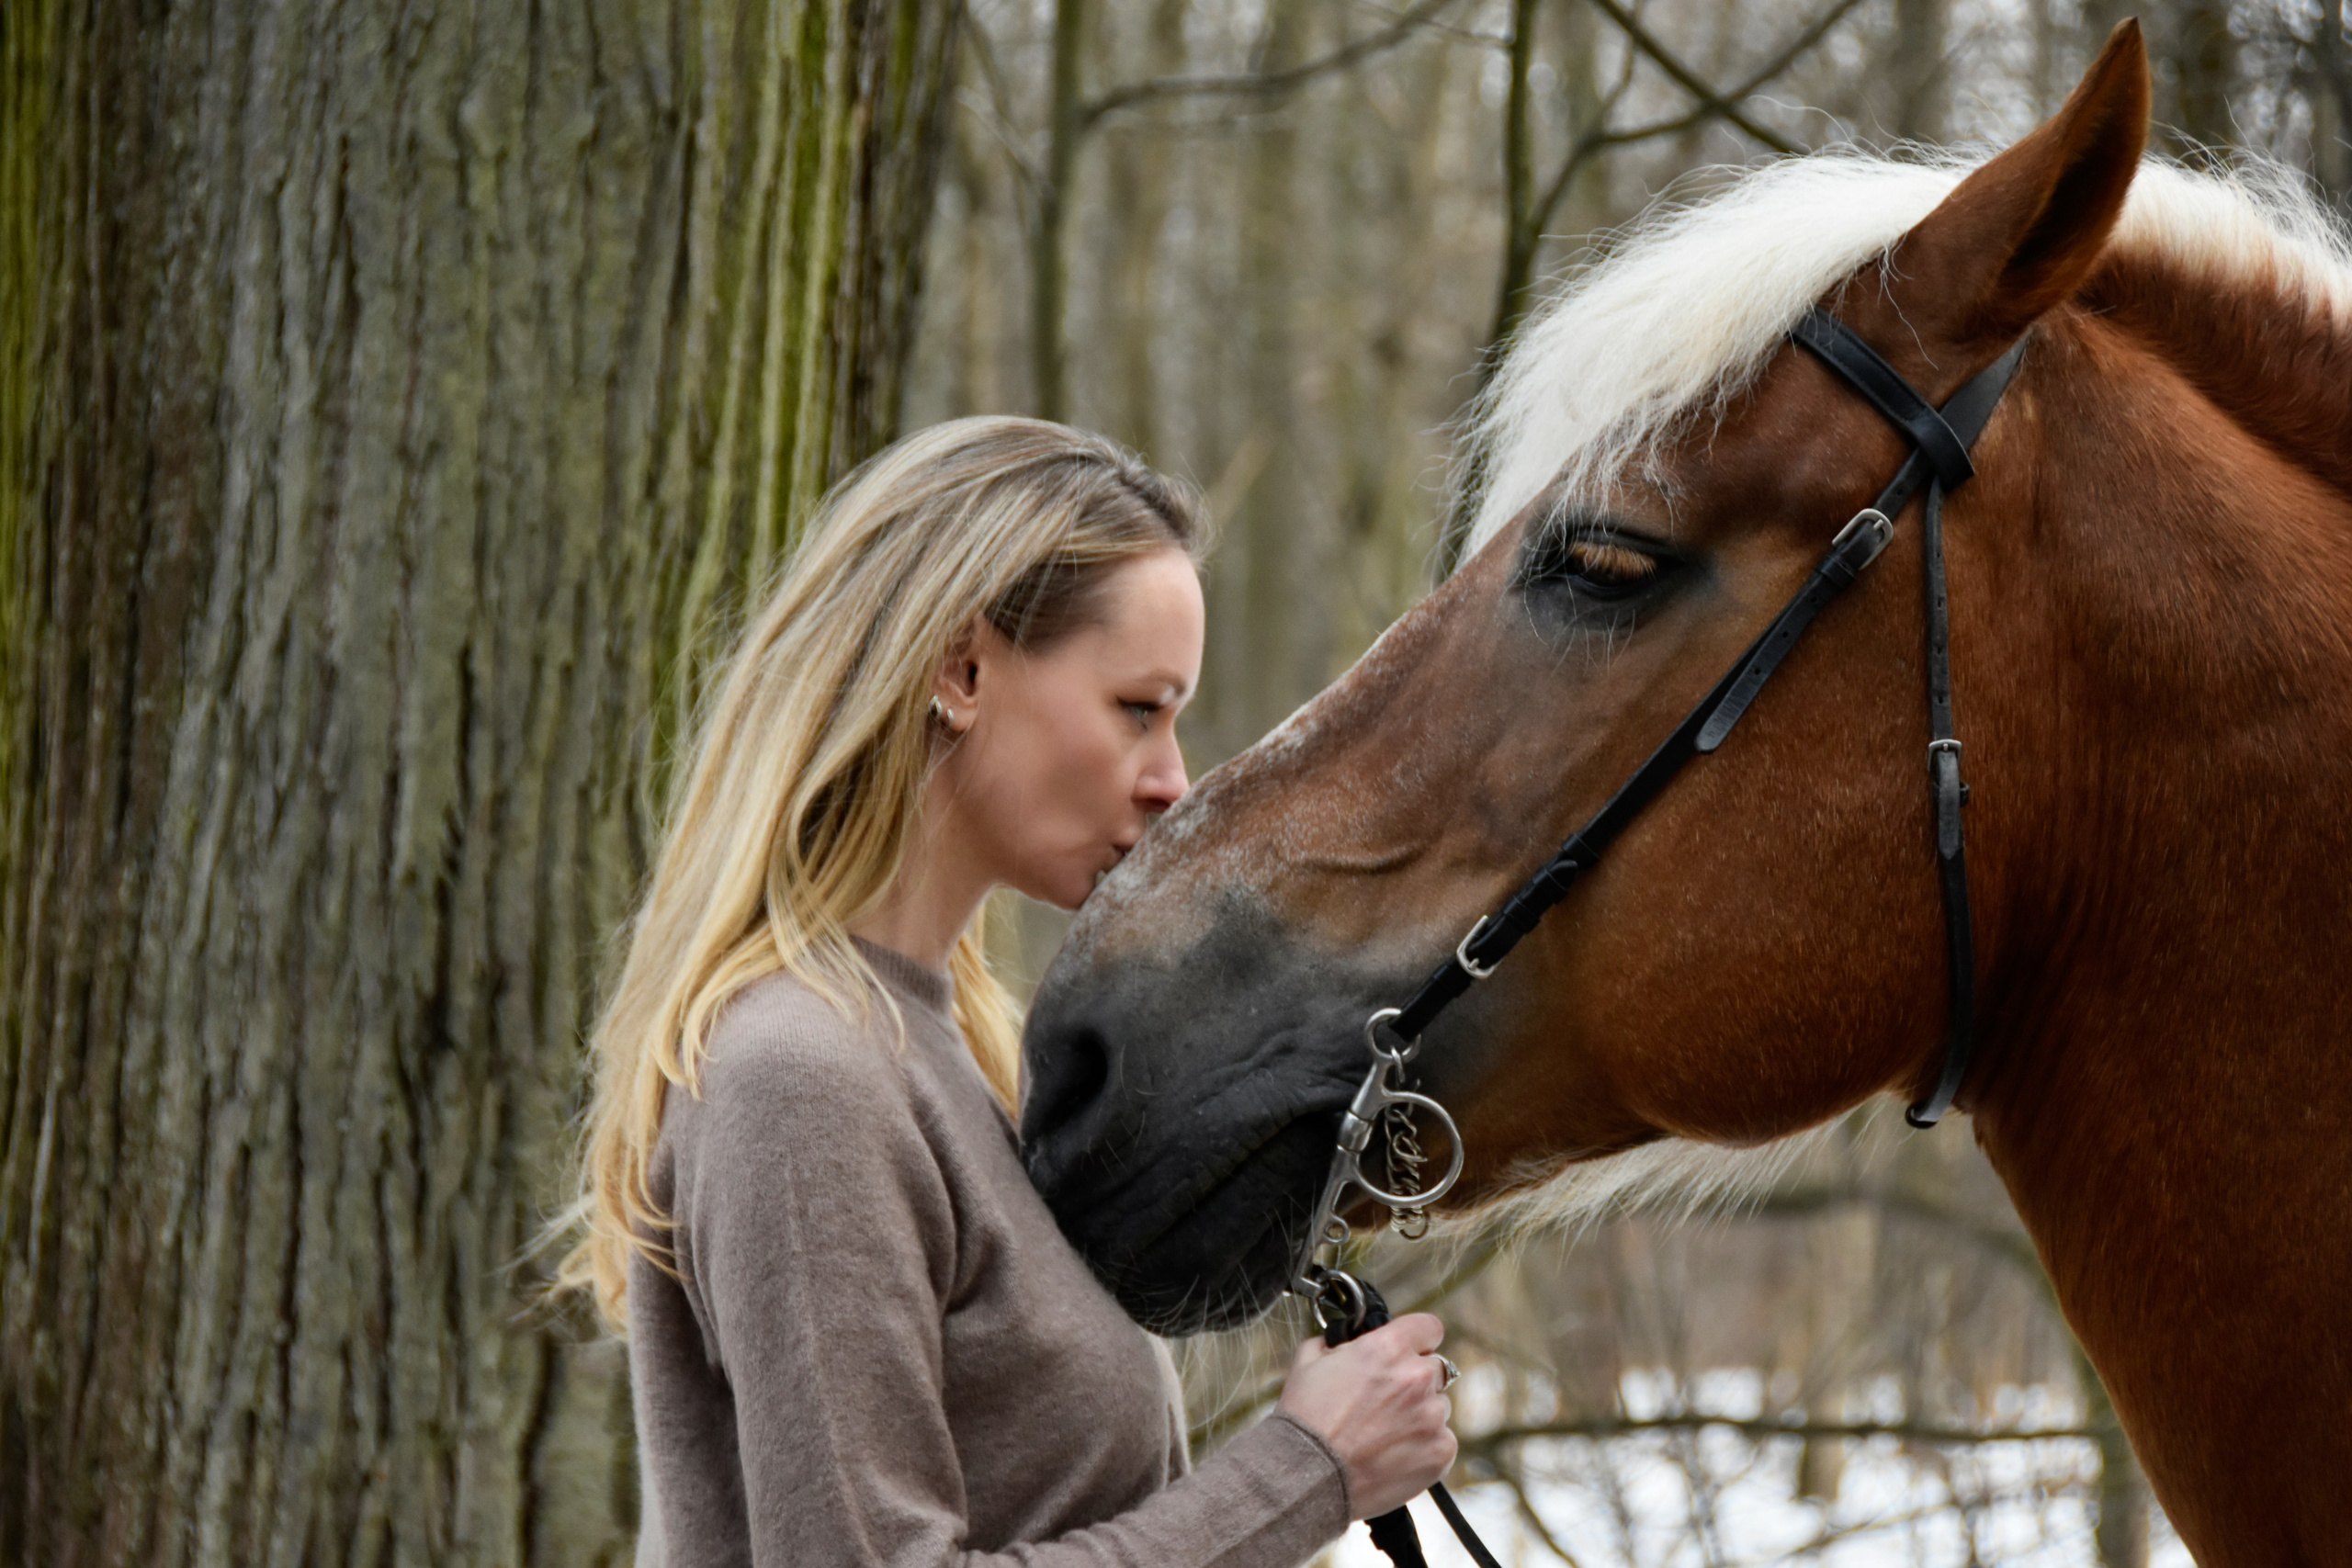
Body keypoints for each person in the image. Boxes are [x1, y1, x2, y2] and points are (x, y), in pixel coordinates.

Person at [564, 417, 1457, 1567]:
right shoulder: (800, 1076)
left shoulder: (947, 1058)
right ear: (963, 669)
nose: (1171, 781)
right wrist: (1307, 1470)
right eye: (1139, 708)